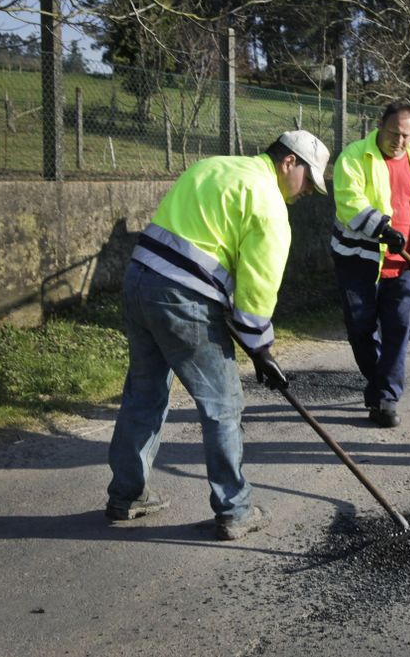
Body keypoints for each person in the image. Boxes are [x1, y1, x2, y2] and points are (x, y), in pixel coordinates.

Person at [105, 130, 330, 540]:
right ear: (289, 163)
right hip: (181, 300)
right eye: (309, 180)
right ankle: (235, 509)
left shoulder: (214, 166)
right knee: (222, 405)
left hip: (138, 280)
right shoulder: (270, 208)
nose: (309, 192)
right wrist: (261, 350)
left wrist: (252, 340)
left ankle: (127, 494)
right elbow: (256, 293)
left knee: (144, 391)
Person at [331, 101, 410, 428]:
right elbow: (349, 202)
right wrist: (381, 228)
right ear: (379, 124)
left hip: (405, 264)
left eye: (407, 136)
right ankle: (379, 386)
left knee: (398, 328)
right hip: (358, 261)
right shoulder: (353, 157)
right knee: (360, 329)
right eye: (395, 133)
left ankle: (386, 399)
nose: (400, 142)